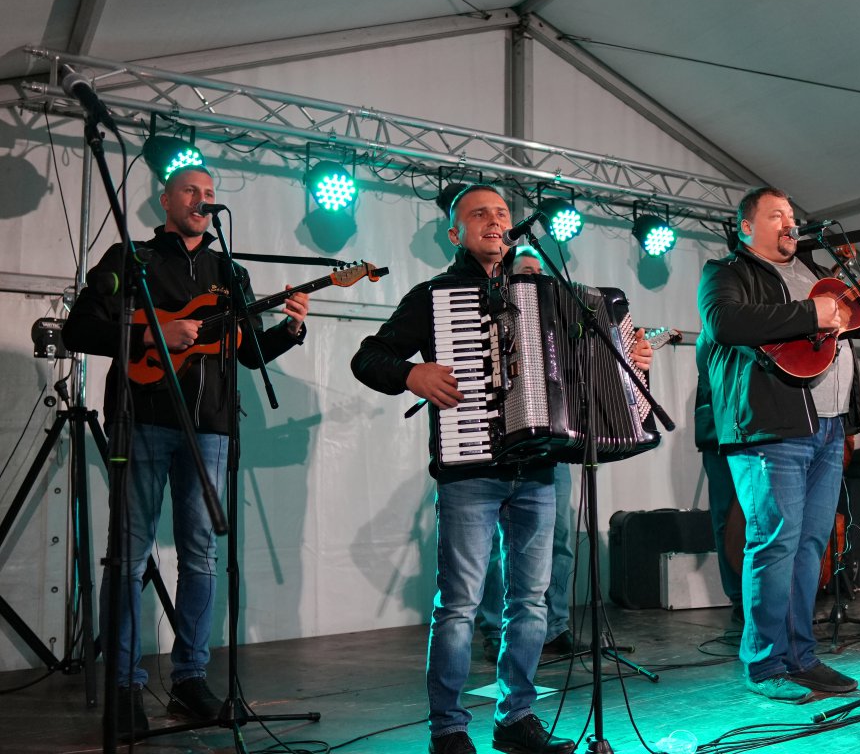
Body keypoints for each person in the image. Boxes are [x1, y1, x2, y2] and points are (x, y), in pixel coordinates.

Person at [354, 186, 656, 754]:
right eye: (479, 214)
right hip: (470, 471)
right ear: (455, 233)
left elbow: (589, 371)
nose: (494, 221)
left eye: (501, 213)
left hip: (539, 469)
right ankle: (447, 728)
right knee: (459, 605)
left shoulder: (551, 295)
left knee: (531, 602)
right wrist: (412, 375)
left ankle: (515, 718)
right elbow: (368, 356)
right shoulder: (435, 296)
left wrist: (630, 360)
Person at [63, 166, 310, 736]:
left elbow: (246, 353)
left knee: (201, 555)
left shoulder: (231, 272)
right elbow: (80, 329)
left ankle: (190, 680)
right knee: (128, 556)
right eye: (191, 191)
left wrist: (289, 331)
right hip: (143, 419)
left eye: (210, 194)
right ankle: (123, 685)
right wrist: (151, 334)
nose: (203, 199)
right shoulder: (132, 259)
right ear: (166, 200)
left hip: (211, 427)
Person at [696, 187, 860, 703]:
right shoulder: (727, 272)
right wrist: (808, 314)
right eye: (776, 215)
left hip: (829, 426)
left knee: (811, 545)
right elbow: (725, 323)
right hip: (771, 427)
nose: (789, 222)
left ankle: (801, 656)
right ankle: (764, 663)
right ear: (746, 227)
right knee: (774, 542)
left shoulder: (814, 271)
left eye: (792, 214)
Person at [476, 247, 582, 663]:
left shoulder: (559, 322)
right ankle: (494, 629)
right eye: (526, 271)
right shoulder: (489, 310)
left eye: (539, 272)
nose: (535, 278)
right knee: (497, 547)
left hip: (551, 448)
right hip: (500, 444)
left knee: (560, 540)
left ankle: (555, 626)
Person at [694, 330, 744, 628]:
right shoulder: (710, 335)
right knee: (725, 519)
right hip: (719, 434)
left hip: (751, 431)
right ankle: (738, 597)